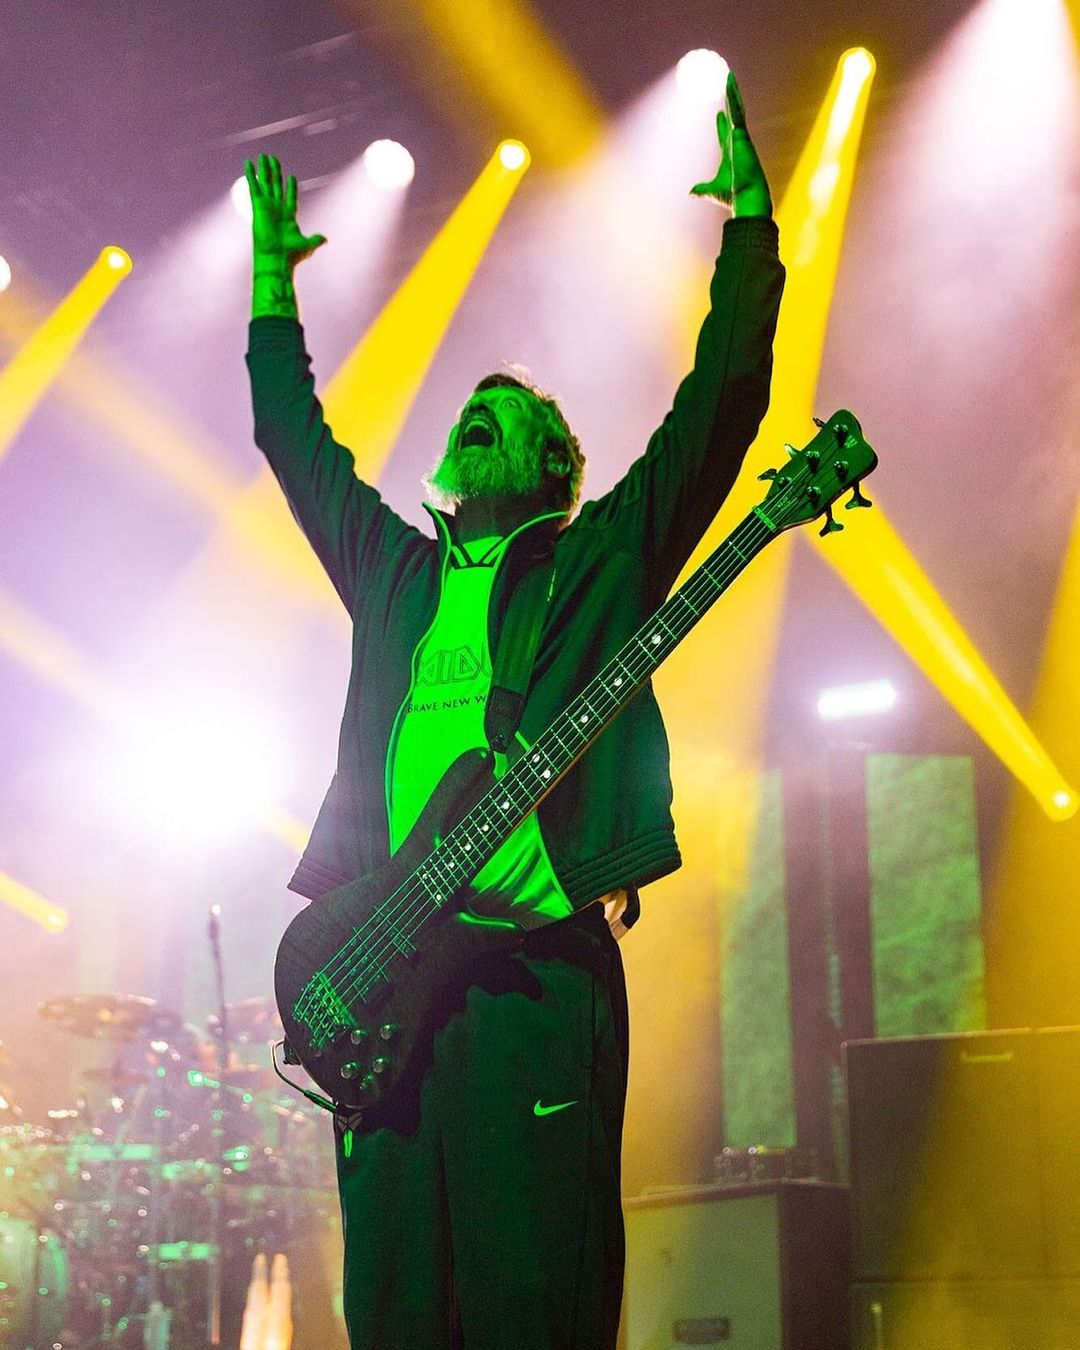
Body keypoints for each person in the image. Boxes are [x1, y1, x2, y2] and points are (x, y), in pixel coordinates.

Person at [245, 69, 784, 1350]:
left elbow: (719, 411)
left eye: (510, 415)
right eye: (470, 412)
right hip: (386, 978)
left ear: (554, 467)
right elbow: (294, 444)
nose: (479, 414)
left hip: (530, 982)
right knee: (397, 1305)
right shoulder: (397, 574)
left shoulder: (596, 560)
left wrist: (751, 234)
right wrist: (272, 292)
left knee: (528, 1304)